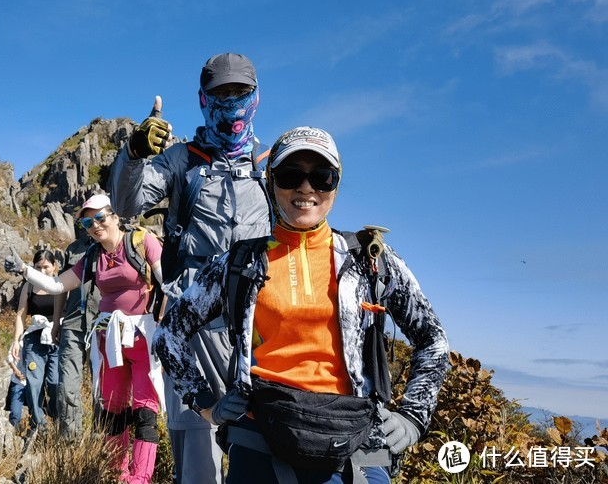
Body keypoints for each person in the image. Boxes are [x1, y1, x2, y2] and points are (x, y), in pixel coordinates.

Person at [153, 127, 450, 484]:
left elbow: (432, 339)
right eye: (291, 175)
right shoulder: (240, 261)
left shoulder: (371, 261)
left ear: (336, 185)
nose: (306, 188)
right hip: (260, 441)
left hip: (354, 448)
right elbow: (169, 333)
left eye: (322, 177)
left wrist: (414, 416)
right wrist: (205, 404)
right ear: (270, 180)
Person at [109, 51, 272, 483]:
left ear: (256, 97)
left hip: (256, 337)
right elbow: (126, 203)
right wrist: (134, 154)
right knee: (199, 469)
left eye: (240, 92)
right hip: (192, 335)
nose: (231, 103)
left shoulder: (269, 167)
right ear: (203, 99)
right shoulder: (182, 159)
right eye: (221, 93)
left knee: (259, 459)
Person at [6, 193, 164, 484]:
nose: (95, 225)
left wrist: (165, 328)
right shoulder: (93, 257)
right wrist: (23, 270)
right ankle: (117, 475)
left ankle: (140, 478)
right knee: (112, 411)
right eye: (88, 222)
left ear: (115, 217)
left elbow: (166, 284)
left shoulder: (142, 242)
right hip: (109, 340)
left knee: (145, 410)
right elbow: (56, 285)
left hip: (144, 336)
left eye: (100, 218)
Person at [51, 233, 98, 440]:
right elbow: (61, 286)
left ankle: (104, 439)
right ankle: (70, 440)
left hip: (103, 324)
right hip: (73, 323)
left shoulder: (119, 245)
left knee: (103, 387)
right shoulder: (74, 248)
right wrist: (56, 322)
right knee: (67, 384)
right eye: (88, 220)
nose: (94, 223)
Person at [10, 249, 62, 434]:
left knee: (55, 383)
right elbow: (21, 314)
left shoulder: (60, 284)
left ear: (54, 266)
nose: (42, 271)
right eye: (38, 267)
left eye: (46, 267)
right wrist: (17, 340)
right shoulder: (29, 286)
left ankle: (57, 418)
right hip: (34, 339)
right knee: (34, 383)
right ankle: (39, 425)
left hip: (57, 338)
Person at [4, 352, 27, 430]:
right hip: (18, 382)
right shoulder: (19, 341)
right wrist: (15, 370)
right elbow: (9, 356)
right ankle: (13, 435)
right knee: (15, 413)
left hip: (34, 384)